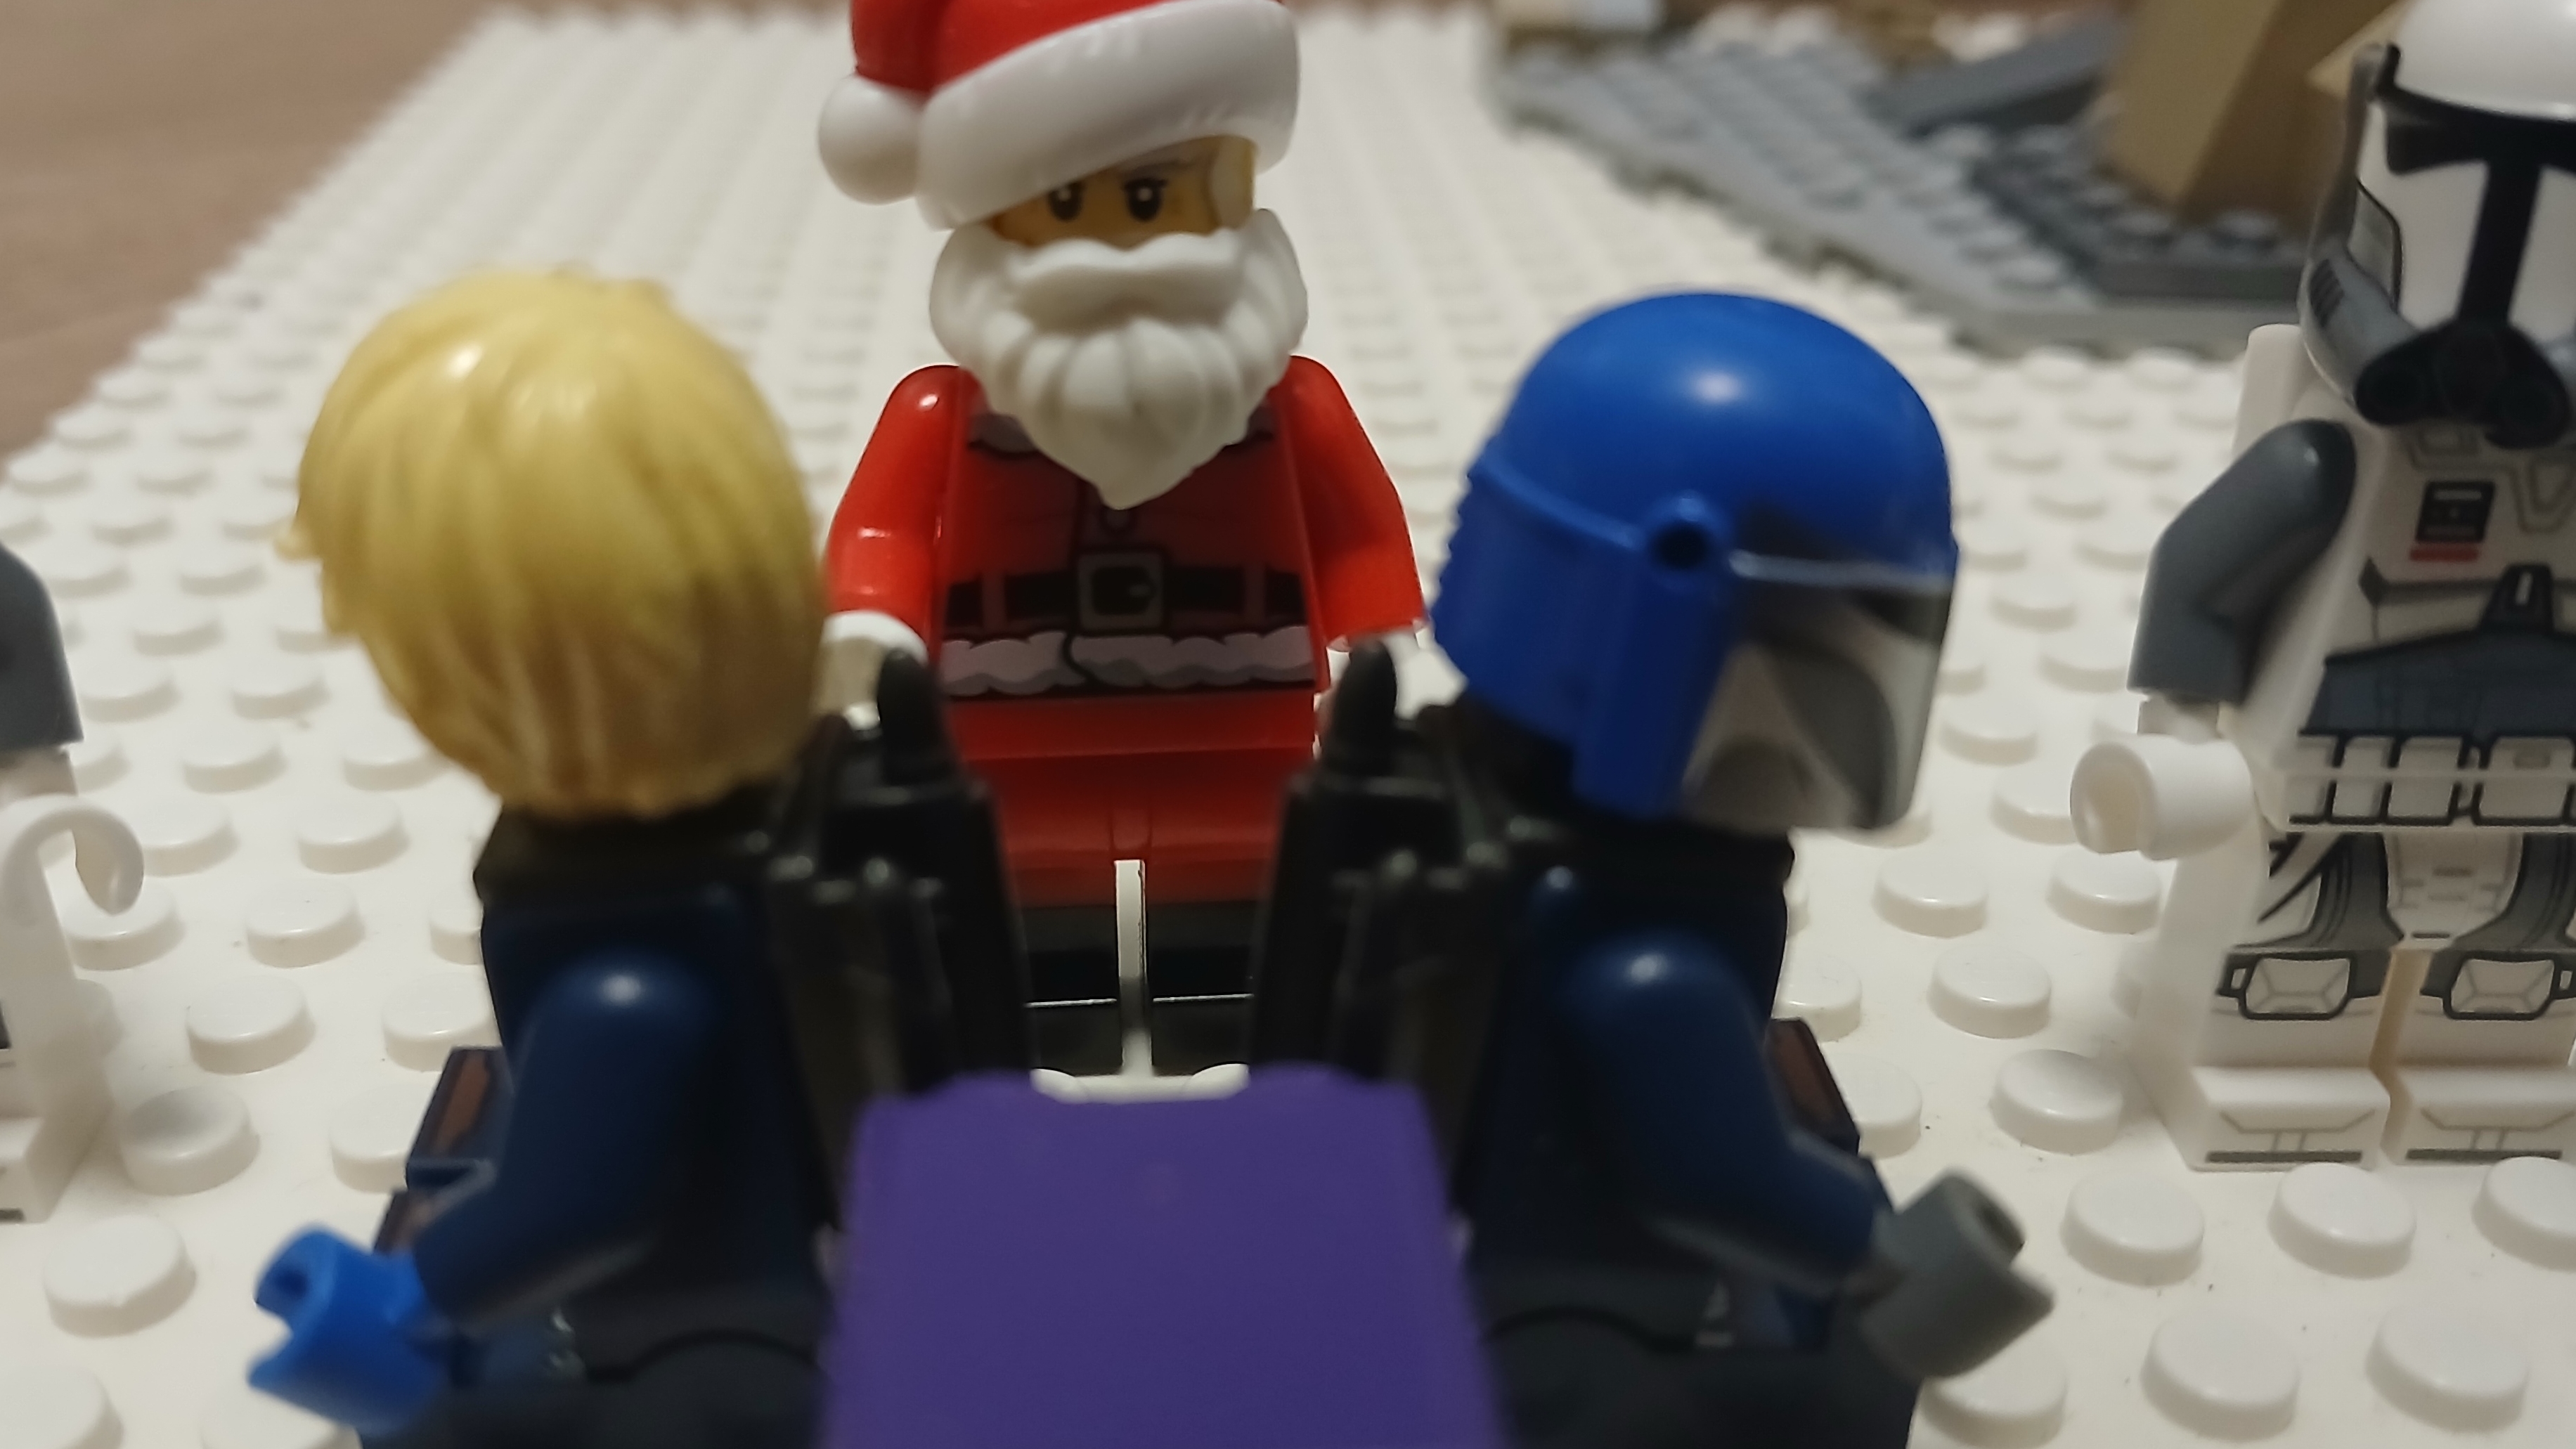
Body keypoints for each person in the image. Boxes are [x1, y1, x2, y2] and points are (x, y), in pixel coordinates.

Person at [246, 270, 834, 1449]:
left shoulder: (625, 972)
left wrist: (408, 1290)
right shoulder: (786, 824)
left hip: (713, 1349)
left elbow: (578, 1203)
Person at [813, 0, 1425, 1074]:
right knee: (1027, 882)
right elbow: (882, 526)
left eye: (1153, 197)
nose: (1118, 253)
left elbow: (1357, 538)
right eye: (1064, 203)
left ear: (1231, 189)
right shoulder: (942, 414)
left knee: (1233, 871)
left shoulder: (1292, 404)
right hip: (1008, 736)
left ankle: (1220, 1006)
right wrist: (873, 620)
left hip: (1242, 723)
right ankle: (1050, 1010)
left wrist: (1378, 641)